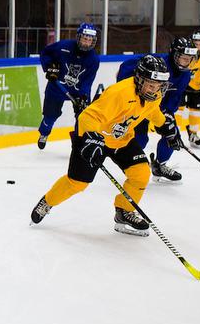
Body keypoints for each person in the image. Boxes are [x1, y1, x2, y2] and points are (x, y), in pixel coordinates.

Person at [30, 54, 181, 236]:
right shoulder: (119, 93)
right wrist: (91, 138)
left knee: (141, 173)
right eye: (151, 84)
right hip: (94, 137)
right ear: (139, 79)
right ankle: (48, 201)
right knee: (78, 183)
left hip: (121, 139)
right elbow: (88, 116)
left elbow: (152, 111)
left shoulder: (154, 96)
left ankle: (124, 212)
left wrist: (166, 127)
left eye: (158, 85)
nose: (154, 89)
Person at [116, 37, 197, 182]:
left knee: (172, 134)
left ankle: (159, 165)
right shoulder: (158, 63)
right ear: (173, 53)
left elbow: (174, 96)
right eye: (183, 58)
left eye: (189, 59)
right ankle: (133, 166)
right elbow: (126, 66)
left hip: (158, 108)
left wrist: (168, 113)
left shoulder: (185, 75)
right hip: (142, 104)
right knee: (140, 138)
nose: (186, 62)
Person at [36, 23, 100, 149]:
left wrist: (83, 96)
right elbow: (45, 53)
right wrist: (49, 67)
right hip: (56, 87)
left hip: (77, 92)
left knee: (82, 118)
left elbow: (88, 81)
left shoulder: (93, 59)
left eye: (89, 40)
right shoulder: (63, 46)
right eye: (84, 38)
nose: (86, 42)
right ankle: (44, 133)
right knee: (50, 116)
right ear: (79, 37)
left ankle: (78, 144)